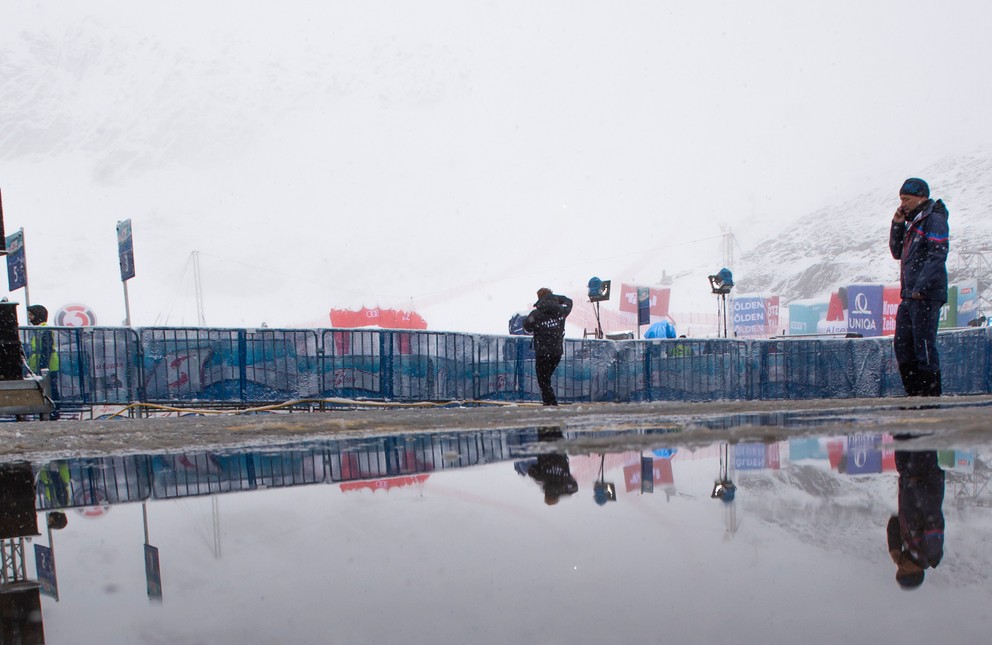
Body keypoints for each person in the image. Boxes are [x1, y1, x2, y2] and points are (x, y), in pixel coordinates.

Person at [889, 178, 949, 397]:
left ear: (921, 197)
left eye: (907, 199)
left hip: (925, 295)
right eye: (901, 199)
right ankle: (914, 394)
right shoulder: (912, 222)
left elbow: (938, 253)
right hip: (908, 295)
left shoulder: (934, 218)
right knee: (902, 346)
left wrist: (921, 287)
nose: (903, 203)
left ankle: (930, 397)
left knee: (923, 347)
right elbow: (897, 253)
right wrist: (897, 224)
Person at [887, 450, 944, 589]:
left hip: (908, 478)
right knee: (920, 439)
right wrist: (918, 486)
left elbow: (894, 521)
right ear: (916, 572)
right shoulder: (930, 552)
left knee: (902, 436)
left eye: (899, 569)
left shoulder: (908, 547)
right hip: (923, 478)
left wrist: (894, 547)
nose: (900, 565)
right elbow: (933, 517)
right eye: (904, 570)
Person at [522, 288, 573, 406]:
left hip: (543, 352)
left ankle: (551, 404)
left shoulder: (536, 314)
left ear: (539, 298)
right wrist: (555, 298)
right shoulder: (561, 311)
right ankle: (549, 403)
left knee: (543, 380)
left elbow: (527, 327)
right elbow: (569, 301)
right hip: (557, 352)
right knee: (546, 380)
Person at [27, 304, 61, 419]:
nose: (29, 317)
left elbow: (47, 349)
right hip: (40, 364)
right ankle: (50, 410)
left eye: (31, 315)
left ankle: (54, 410)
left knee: (50, 388)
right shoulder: (38, 329)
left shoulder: (44, 329)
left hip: (48, 365)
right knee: (47, 388)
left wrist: (43, 364)